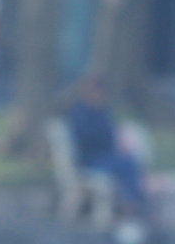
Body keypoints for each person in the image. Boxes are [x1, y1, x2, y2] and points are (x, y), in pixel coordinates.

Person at [62, 75, 149, 218]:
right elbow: (88, 140)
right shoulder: (79, 115)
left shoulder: (103, 113)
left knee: (128, 162)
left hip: (104, 157)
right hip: (89, 160)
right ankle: (134, 203)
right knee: (127, 164)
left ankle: (131, 201)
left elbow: (111, 136)